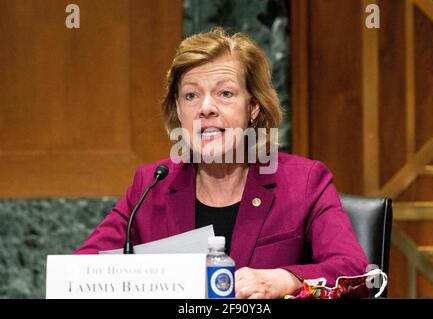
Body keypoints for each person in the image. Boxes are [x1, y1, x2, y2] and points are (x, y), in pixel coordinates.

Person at [75, 27, 369, 299]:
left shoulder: (304, 181)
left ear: (253, 107)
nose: (205, 108)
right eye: (191, 95)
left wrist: (285, 279)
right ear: (178, 110)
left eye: (225, 93)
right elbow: (80, 272)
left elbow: (353, 270)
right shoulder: (153, 184)